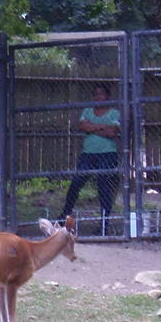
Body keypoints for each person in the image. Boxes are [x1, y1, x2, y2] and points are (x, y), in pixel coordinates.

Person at [60, 83, 121, 234]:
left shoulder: (114, 113)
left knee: (104, 187)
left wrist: (92, 127)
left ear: (107, 97)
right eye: (96, 94)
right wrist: (102, 127)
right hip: (88, 154)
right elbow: (83, 127)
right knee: (76, 183)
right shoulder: (87, 110)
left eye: (101, 94)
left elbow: (112, 132)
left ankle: (104, 223)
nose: (98, 97)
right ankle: (64, 217)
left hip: (107, 154)